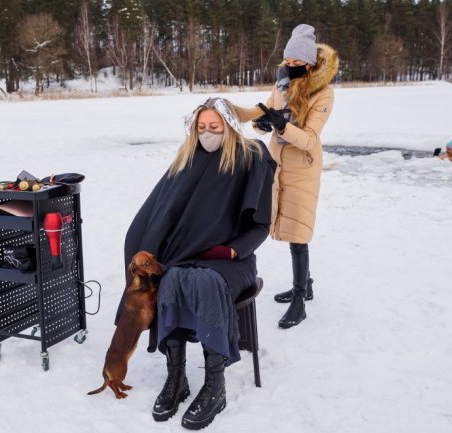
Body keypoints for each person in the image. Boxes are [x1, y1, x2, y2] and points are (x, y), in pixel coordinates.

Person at [121, 97, 275, 430]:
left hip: (232, 260)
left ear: (229, 127)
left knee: (204, 281)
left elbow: (262, 225)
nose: (207, 133)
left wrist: (231, 251)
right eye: (201, 127)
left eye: (214, 128)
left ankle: (215, 386)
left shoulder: (252, 159)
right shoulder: (187, 161)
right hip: (187, 255)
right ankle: (176, 378)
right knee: (172, 278)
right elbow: (161, 213)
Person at [234, 24, 339, 329]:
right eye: (287, 61)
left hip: (302, 167)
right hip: (276, 165)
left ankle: (299, 298)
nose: (290, 67)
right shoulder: (281, 84)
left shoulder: (324, 93)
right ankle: (304, 285)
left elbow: (309, 139)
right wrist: (262, 125)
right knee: (283, 224)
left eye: (297, 63)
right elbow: (263, 112)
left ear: (310, 63)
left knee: (298, 233)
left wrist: (282, 127)